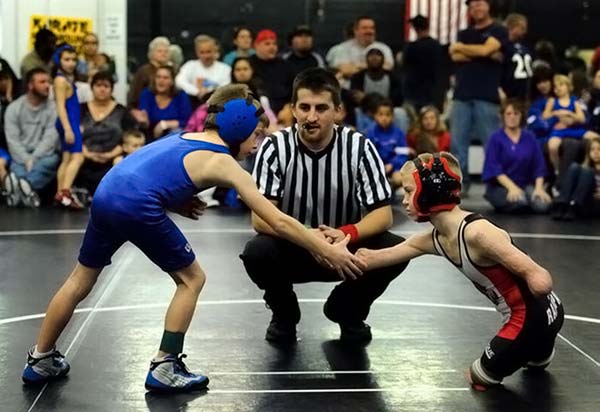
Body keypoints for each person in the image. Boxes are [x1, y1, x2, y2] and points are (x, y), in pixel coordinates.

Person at [22, 83, 364, 392]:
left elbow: (149, 169)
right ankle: (165, 366)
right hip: (137, 204)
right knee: (191, 279)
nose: (257, 144)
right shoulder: (225, 163)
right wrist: (325, 250)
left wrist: (176, 199)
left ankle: (40, 358)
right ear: (239, 127)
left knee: (80, 279)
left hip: (107, 191)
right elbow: (276, 220)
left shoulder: (186, 137)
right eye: (257, 135)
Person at [356, 151, 564, 390]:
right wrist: (342, 251)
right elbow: (385, 255)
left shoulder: (478, 233)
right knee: (533, 360)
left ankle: (532, 345)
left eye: (409, 191)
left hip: (530, 319)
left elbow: (540, 278)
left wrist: (536, 279)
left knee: (479, 378)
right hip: (549, 311)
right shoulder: (438, 238)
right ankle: (537, 351)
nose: (404, 200)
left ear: (430, 190)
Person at [240, 68, 408, 344]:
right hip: (294, 247)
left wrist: (345, 234)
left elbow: (383, 215)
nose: (311, 117)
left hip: (345, 250)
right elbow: (260, 219)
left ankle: (347, 309)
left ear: (338, 110)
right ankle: (284, 313)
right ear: (293, 109)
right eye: (304, 107)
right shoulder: (275, 147)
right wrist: (310, 238)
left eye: (321, 108)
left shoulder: (359, 147)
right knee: (257, 252)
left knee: (395, 250)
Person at [449, 0, 508, 193]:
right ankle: (460, 184)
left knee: (491, 142)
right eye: (472, 5)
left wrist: (463, 48)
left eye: (480, 4)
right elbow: (455, 56)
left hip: (487, 94)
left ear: (488, 6)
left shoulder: (499, 30)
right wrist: (484, 53)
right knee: (457, 143)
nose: (476, 8)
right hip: (461, 94)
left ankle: (496, 184)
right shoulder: (464, 33)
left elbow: (484, 50)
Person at [483, 99, 552, 213]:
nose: (512, 117)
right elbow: (495, 169)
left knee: (542, 206)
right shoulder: (495, 138)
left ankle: (527, 199)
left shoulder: (530, 137)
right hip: (501, 186)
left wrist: (539, 188)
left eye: (516, 113)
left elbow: (539, 166)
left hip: (525, 184)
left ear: (521, 116)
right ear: (503, 116)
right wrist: (512, 188)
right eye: (508, 114)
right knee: (519, 202)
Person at [3, 68, 60, 207]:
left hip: (44, 155)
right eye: (42, 82)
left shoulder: (53, 108)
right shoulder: (14, 108)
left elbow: (50, 139)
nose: (48, 86)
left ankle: (18, 190)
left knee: (50, 161)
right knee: (16, 167)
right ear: (30, 85)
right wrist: (26, 159)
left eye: (48, 82)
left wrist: (33, 159)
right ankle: (27, 193)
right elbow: (12, 141)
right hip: (20, 157)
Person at [77, 71, 137, 194]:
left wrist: (111, 154)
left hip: (113, 159)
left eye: (106, 86)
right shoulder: (80, 109)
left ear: (112, 89)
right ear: (92, 88)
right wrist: (86, 153)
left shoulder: (122, 111)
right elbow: (73, 134)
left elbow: (129, 137)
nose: (102, 89)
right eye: (98, 85)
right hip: (83, 157)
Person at [543, 74, 600, 176]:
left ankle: (589, 163)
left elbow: (582, 118)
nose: (558, 89)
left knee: (595, 137)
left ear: (568, 86)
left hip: (574, 129)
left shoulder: (575, 102)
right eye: (555, 87)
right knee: (552, 146)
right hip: (559, 130)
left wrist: (570, 114)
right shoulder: (552, 101)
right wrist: (556, 113)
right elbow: (545, 116)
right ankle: (557, 169)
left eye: (561, 85)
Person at [53, 44, 85, 209]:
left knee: (66, 158)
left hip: (70, 122)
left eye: (73, 59)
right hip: (68, 122)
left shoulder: (65, 79)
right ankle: (65, 193)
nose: (71, 63)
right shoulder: (60, 80)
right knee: (78, 157)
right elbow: (60, 106)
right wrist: (68, 128)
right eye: (66, 59)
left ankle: (60, 193)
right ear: (59, 60)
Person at [139, 65, 192, 141]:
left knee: (176, 132)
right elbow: (145, 122)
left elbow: (186, 121)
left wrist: (164, 124)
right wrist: (143, 121)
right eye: (158, 77)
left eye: (165, 78)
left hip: (173, 134)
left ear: (172, 81)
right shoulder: (147, 94)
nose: (161, 80)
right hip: (150, 134)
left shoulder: (181, 95)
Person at [552, 136, 600, 220]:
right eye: (592, 149)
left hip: (595, 202)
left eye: (599, 149)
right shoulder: (584, 169)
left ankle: (573, 205)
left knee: (588, 171)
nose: (596, 152)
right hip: (583, 199)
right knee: (575, 166)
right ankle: (562, 204)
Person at [365, 99, 409, 190]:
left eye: (387, 115)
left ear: (393, 116)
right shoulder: (370, 133)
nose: (384, 118)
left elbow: (402, 154)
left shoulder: (399, 133)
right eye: (380, 114)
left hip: (394, 167)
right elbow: (368, 154)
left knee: (398, 179)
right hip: (376, 167)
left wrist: (392, 164)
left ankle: (390, 185)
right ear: (375, 116)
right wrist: (378, 166)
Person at [402, 15, 443, 111]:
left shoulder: (412, 47)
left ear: (415, 29)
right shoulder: (436, 46)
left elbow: (403, 62)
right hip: (432, 92)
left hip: (413, 92)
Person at [175, 35, 231, 102]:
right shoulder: (189, 65)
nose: (206, 56)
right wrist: (197, 92)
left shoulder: (225, 68)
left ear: (215, 51)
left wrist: (208, 93)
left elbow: (226, 86)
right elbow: (179, 81)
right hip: (193, 101)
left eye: (208, 52)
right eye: (202, 52)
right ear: (197, 53)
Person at [127, 36, 171, 109]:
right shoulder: (143, 71)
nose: (163, 54)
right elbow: (133, 95)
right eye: (160, 51)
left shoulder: (170, 71)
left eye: (166, 51)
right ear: (152, 53)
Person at [501, 14, 533, 100]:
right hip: (507, 94)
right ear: (512, 27)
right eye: (522, 28)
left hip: (524, 95)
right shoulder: (501, 46)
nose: (525, 31)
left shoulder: (524, 47)